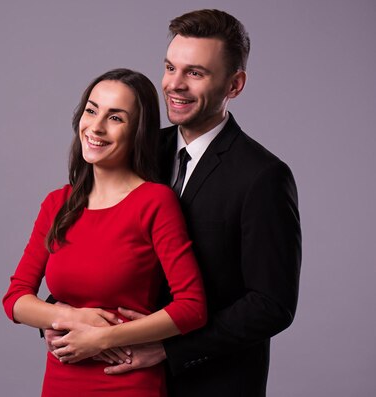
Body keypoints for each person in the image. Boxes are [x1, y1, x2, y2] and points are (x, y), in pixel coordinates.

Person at [43, 9, 302, 397]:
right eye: (170, 67)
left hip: (211, 382)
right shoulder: (136, 148)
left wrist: (167, 348)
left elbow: (271, 304)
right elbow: (86, 237)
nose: (174, 85)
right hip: (117, 378)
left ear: (235, 84)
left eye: (195, 73)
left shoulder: (262, 177)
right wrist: (59, 312)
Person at [2, 68, 207, 397]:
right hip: (61, 380)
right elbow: (15, 299)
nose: (96, 127)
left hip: (127, 380)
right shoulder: (57, 203)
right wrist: (70, 318)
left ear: (137, 132)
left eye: (115, 118)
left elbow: (192, 307)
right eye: (91, 110)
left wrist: (102, 338)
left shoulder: (154, 202)